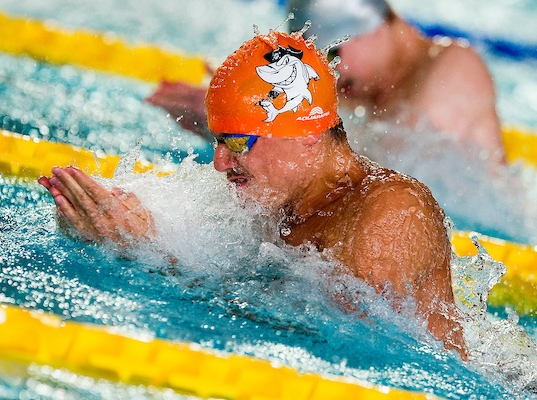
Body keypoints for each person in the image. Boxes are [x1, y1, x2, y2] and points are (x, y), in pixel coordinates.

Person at [39, 30, 467, 358]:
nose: (220, 163)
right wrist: (109, 227)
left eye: (239, 142)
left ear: (308, 134)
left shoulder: (390, 209)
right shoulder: (279, 199)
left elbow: (338, 342)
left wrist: (148, 253)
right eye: (217, 140)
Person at [147, 0, 505, 165]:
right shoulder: (363, 82)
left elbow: (395, 172)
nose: (331, 72)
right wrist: (239, 119)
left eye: (334, 53)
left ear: (375, 25)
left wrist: (254, 133)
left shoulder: (453, 67)